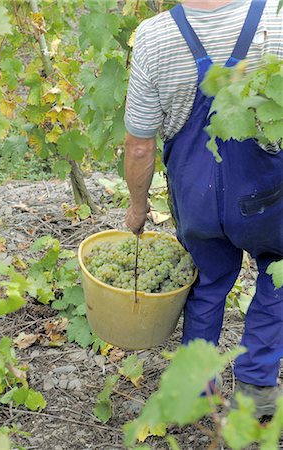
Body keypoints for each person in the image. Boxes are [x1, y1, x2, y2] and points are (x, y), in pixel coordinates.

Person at [124, 0, 283, 418]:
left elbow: (139, 144)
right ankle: (256, 385)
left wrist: (137, 208)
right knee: (278, 273)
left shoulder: (154, 36)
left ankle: (199, 395)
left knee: (208, 283)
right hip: (266, 197)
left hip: (195, 197)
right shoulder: (276, 17)